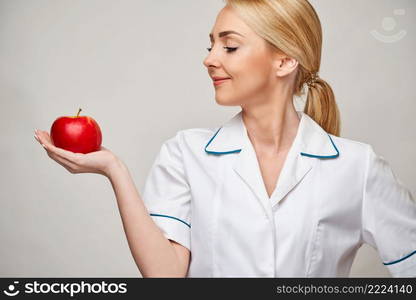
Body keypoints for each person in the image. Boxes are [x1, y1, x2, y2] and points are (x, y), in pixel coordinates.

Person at [34, 0, 415, 277]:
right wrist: (113, 169)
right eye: (211, 45)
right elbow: (165, 277)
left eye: (229, 46)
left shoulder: (357, 167)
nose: (210, 58)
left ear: (285, 61)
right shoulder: (186, 153)